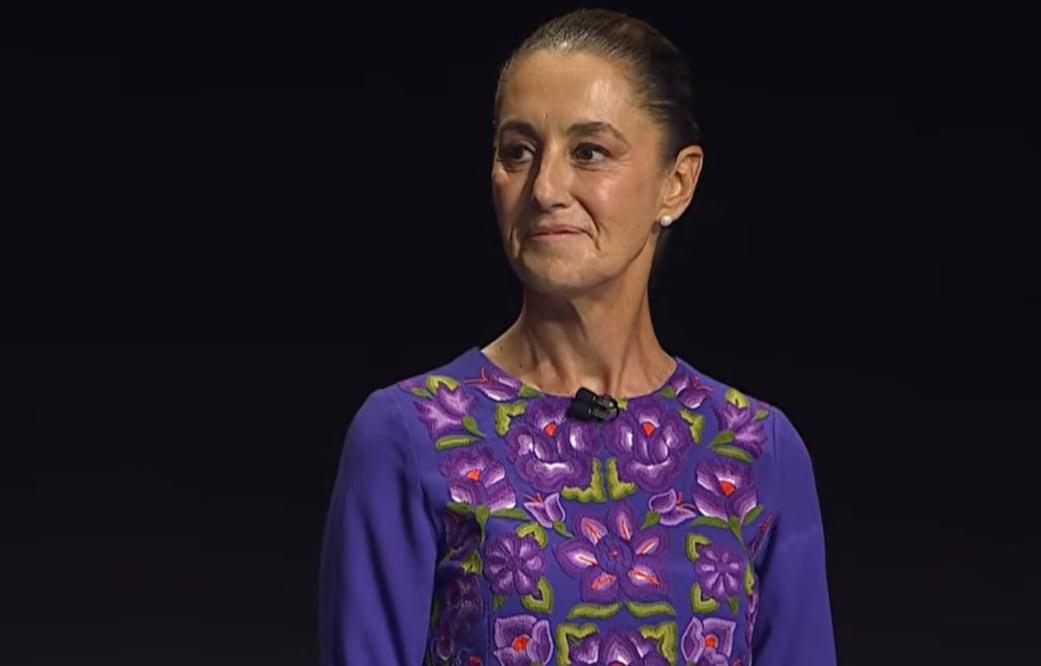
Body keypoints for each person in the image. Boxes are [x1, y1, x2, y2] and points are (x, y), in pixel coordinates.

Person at [318, 8, 836, 665]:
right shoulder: (412, 437)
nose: (546, 188)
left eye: (589, 152)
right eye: (518, 152)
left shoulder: (758, 452)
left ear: (677, 183)